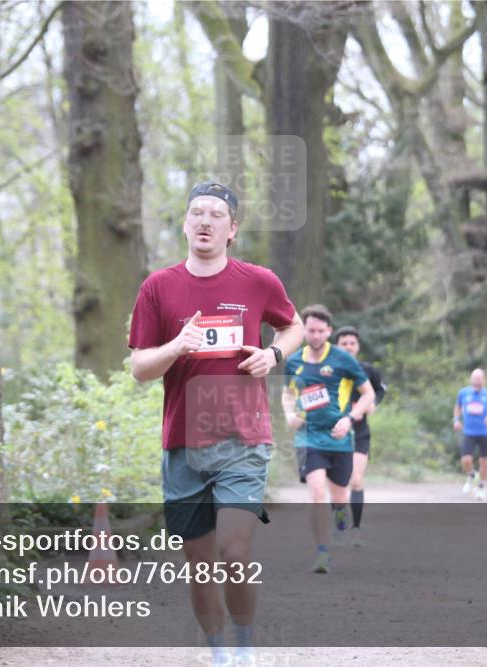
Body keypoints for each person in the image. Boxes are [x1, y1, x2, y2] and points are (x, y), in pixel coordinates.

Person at [128, 180, 303, 665]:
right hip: (183, 444)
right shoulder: (158, 287)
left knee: (234, 552)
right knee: (200, 567)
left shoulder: (258, 281)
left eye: (217, 214)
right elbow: (140, 368)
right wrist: (176, 346)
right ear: (185, 225)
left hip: (243, 439)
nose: (205, 220)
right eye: (197, 213)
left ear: (232, 229)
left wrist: (273, 354)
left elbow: (292, 327)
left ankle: (243, 648)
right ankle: (218, 653)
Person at [281, 305, 375, 573]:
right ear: (304, 331)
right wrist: (289, 414)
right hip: (308, 437)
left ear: (329, 331)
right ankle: (322, 552)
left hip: (339, 438)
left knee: (339, 495)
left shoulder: (343, 360)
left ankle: (342, 511)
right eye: (311, 330)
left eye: (321, 331)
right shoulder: (294, 362)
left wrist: (350, 418)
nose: (315, 335)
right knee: (316, 492)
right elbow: (288, 394)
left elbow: (368, 394)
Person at [334, 325, 385, 546]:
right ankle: (339, 524)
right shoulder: (329, 370)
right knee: (339, 484)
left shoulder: (367, 370)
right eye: (344, 343)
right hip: (334, 433)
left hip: (359, 432)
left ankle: (355, 529)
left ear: (358, 346)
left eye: (352, 343)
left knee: (355, 480)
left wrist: (373, 403)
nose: (348, 347)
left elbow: (380, 389)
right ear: (336, 346)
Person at [453, 368, 487, 501]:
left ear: (483, 380)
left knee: (484, 461)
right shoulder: (463, 393)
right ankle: (472, 474)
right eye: (474, 378)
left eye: (479, 379)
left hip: (485, 432)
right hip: (469, 432)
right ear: (471, 380)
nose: (476, 381)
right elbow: (457, 407)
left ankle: (481, 488)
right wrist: (456, 420)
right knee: (465, 459)